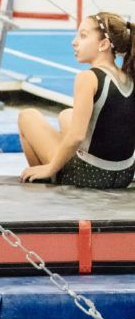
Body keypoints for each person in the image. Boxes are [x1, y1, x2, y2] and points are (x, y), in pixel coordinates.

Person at [18, 12, 135, 189]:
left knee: (27, 116)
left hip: (89, 175)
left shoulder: (88, 78)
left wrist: (50, 168)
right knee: (67, 115)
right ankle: (51, 170)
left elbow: (77, 136)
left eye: (83, 35)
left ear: (103, 44)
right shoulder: (129, 76)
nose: (74, 41)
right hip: (124, 174)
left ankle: (44, 178)